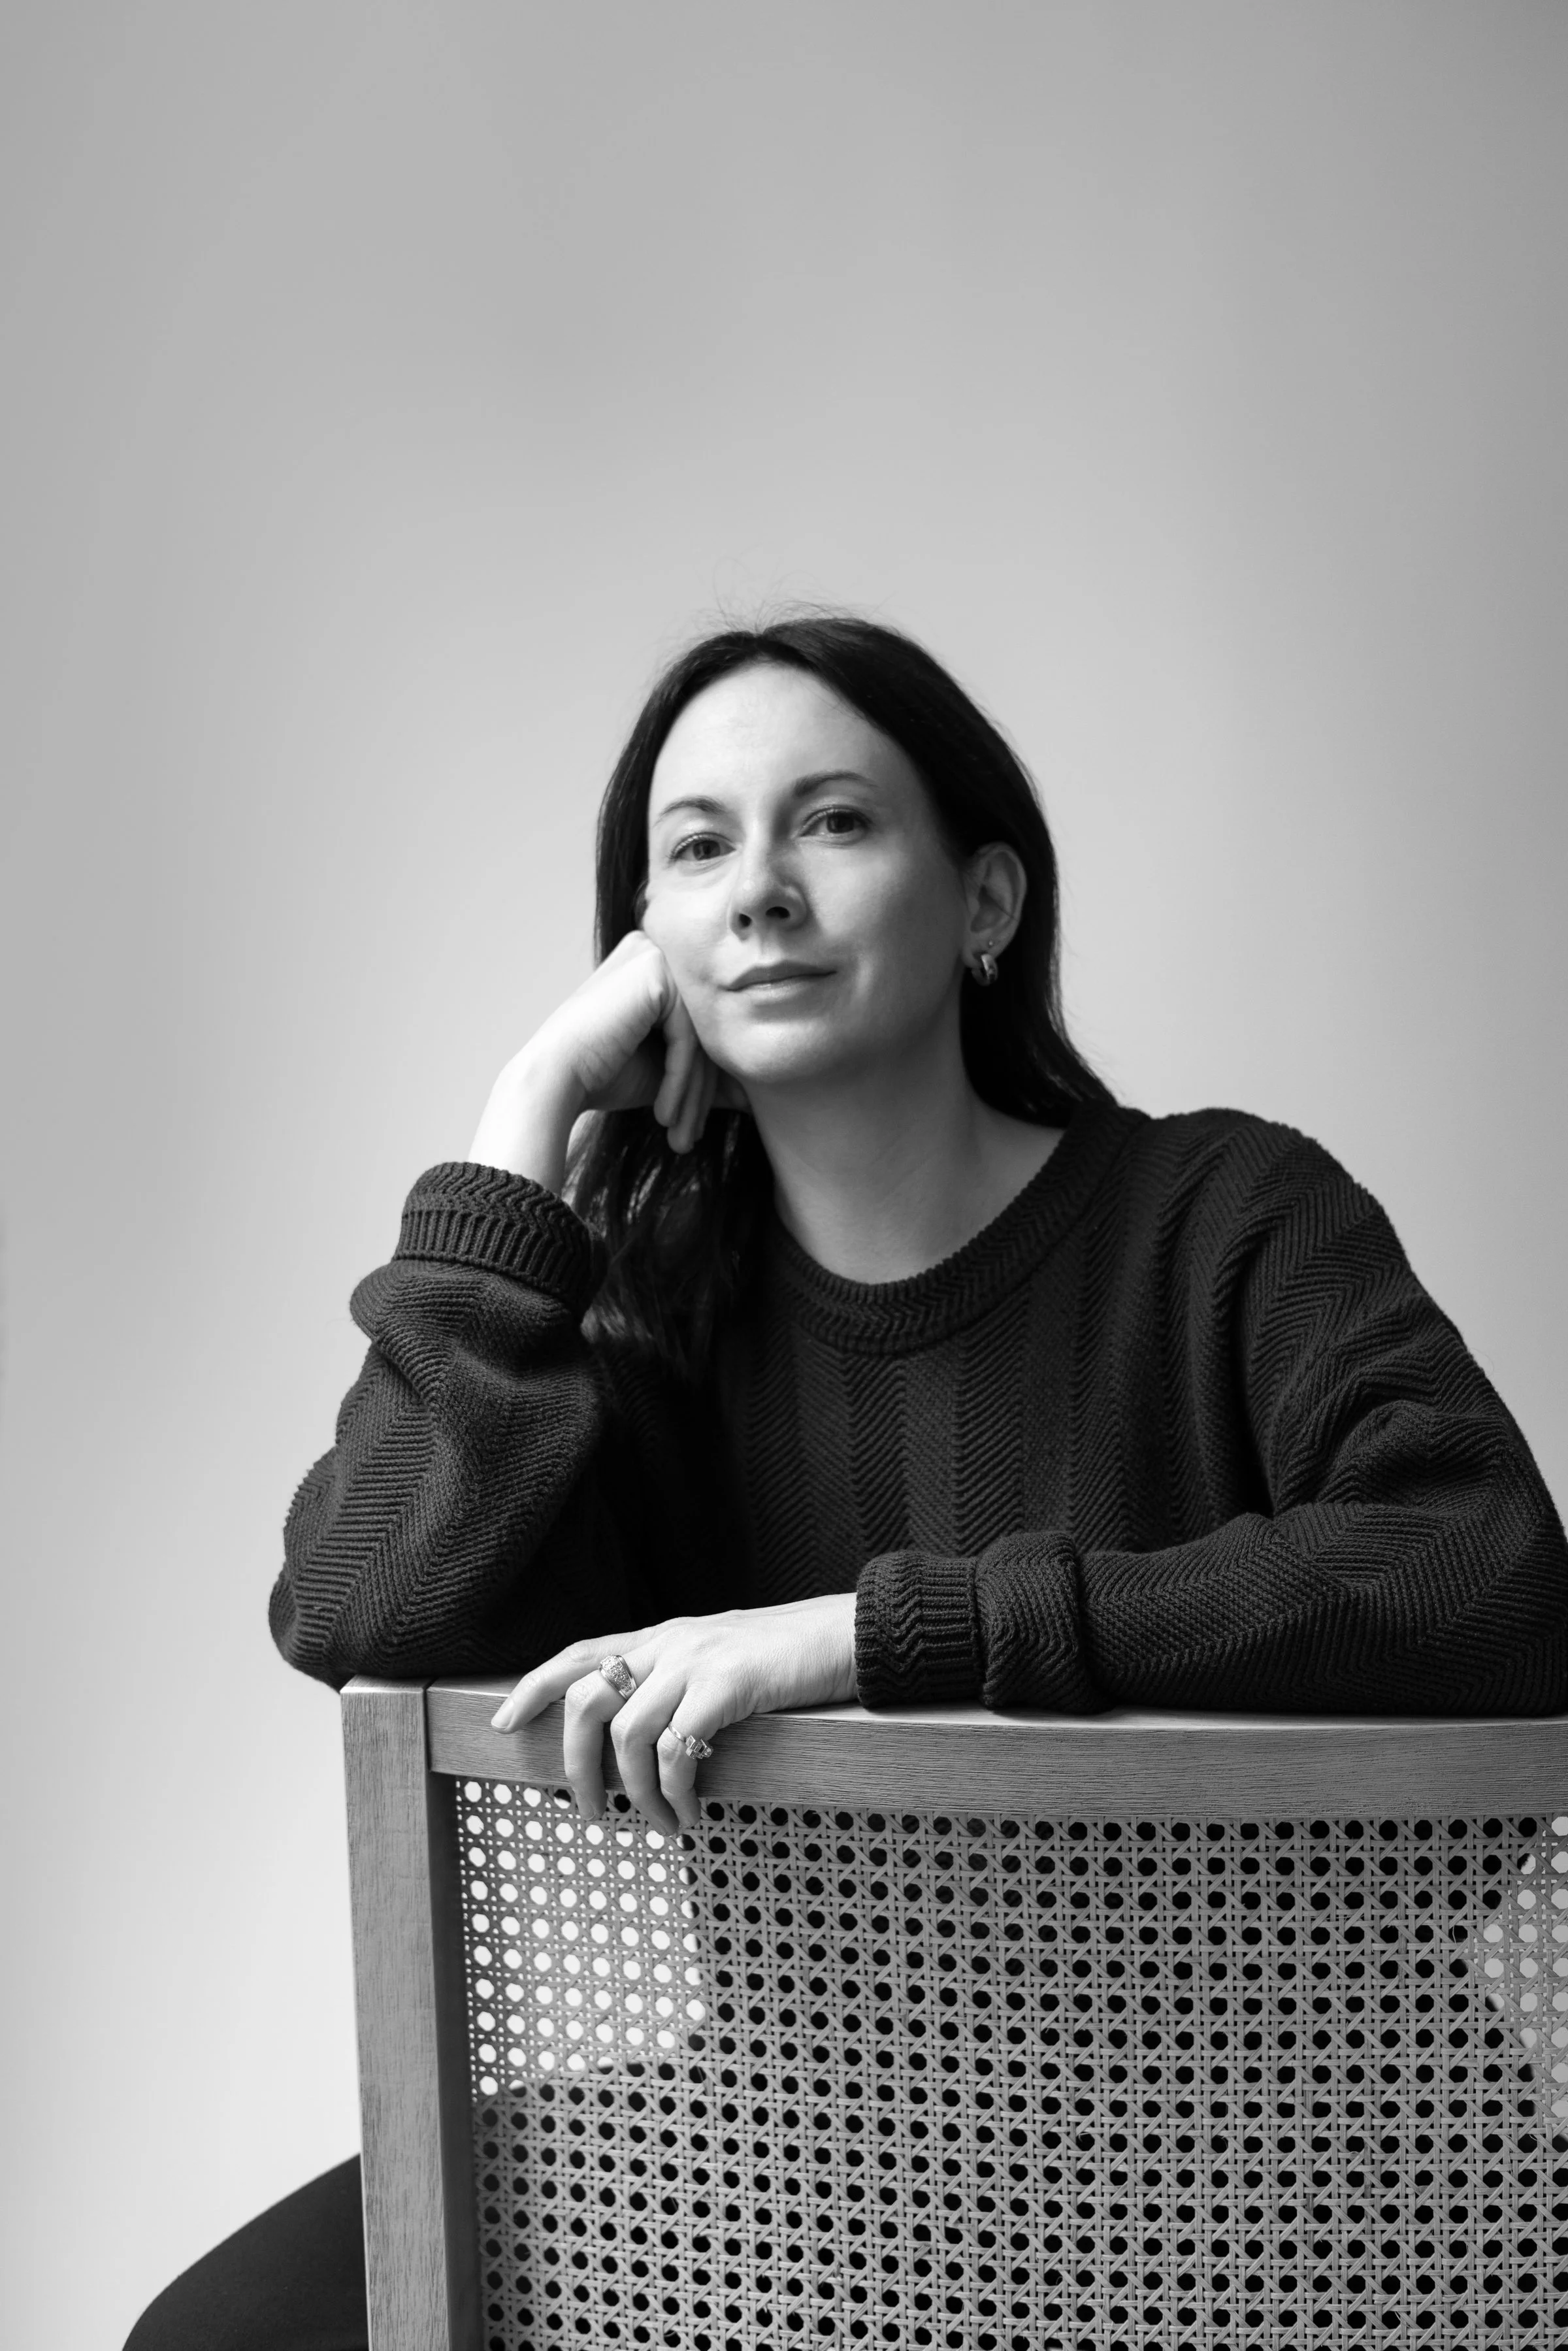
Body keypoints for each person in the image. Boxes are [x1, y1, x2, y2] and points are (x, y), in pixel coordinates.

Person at [126, 612, 1568, 2349]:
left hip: (1305, 2169)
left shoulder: (1232, 1222)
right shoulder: (658, 1343)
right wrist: (526, 1132)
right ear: (646, 946)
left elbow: (1488, 1579)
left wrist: (870, 1636)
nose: (763, 889)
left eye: (835, 820)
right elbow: (363, 1605)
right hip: (830, 2165)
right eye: (698, 845)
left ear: (985, 904)